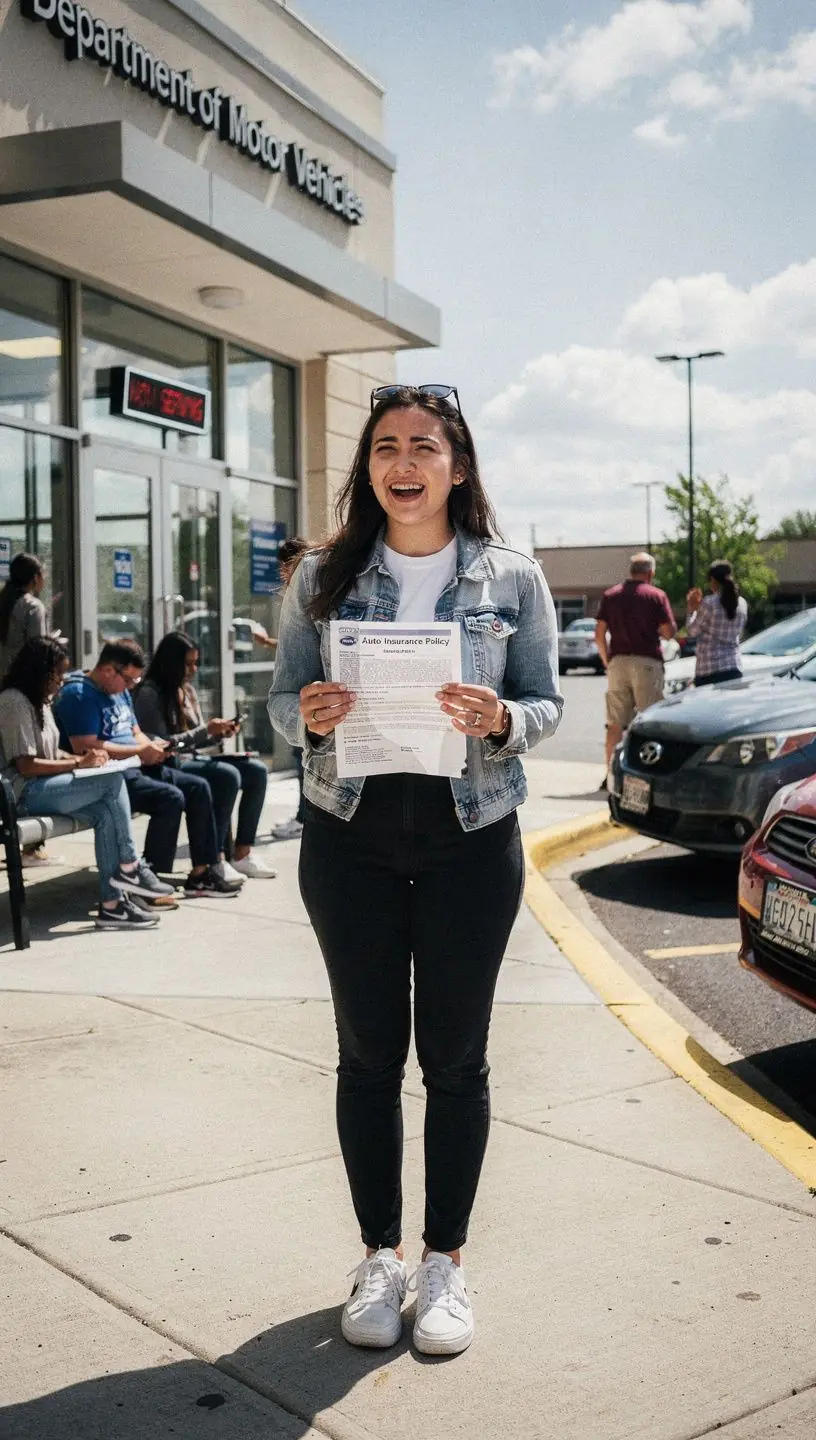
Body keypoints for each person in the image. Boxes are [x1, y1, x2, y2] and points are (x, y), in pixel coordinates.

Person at [269, 383, 562, 1357]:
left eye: (424, 446)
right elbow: (279, 700)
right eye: (386, 445)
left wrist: (504, 718)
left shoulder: (512, 578)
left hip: (469, 835)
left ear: (458, 466)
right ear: (369, 467)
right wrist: (305, 715)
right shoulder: (324, 574)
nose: (404, 462)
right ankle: (379, 1258)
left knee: (456, 1059)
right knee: (366, 1056)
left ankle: (445, 1263)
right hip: (348, 832)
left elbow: (546, 701)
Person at [0, 638, 176, 929]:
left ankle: (112, 906)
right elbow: (26, 766)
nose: (61, 681)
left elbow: (51, 752)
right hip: (21, 793)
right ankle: (130, 866)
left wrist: (86, 758)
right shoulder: (13, 701)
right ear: (39, 671)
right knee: (112, 781)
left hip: (43, 786)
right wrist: (78, 764)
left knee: (105, 813)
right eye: (57, 674)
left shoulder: (40, 700)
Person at [54, 640, 243, 899]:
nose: (131, 687)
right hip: (109, 777)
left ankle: (201, 874)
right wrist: (139, 750)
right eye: (128, 680)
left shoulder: (119, 690)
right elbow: (85, 746)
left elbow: (135, 732)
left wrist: (152, 748)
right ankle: (149, 876)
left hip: (136, 765)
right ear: (108, 670)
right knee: (169, 797)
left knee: (198, 787)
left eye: (135, 680)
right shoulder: (79, 694)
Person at [135, 632, 276, 879]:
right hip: (169, 763)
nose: (194, 669)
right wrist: (206, 730)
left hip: (192, 758)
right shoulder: (150, 694)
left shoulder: (187, 691)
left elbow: (196, 740)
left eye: (196, 663)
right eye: (188, 663)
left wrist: (218, 734)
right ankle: (215, 858)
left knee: (257, 771)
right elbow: (161, 745)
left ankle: (242, 853)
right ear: (171, 663)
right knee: (227, 776)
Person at [595, 552, 676, 775]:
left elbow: (599, 633)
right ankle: (647, 771)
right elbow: (669, 632)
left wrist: (608, 661)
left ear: (631, 571)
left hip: (618, 663)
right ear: (651, 573)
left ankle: (611, 774)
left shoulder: (611, 595)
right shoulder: (656, 596)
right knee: (650, 719)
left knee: (615, 723)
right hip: (647, 662)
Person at [270, 536, 311, 841]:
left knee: (305, 761)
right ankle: (302, 815)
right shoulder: (305, 590)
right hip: (303, 695)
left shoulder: (309, 586)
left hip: (311, 694)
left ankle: (303, 817)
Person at [686, 559, 748, 686]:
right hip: (733, 667)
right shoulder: (742, 603)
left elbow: (692, 631)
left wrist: (692, 610)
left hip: (709, 670)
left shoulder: (709, 603)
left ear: (713, 580)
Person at [0, 553, 48, 679]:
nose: (45, 579)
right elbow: (38, 650)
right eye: (43, 575)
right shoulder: (33, 606)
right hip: (20, 681)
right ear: (35, 578)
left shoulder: (3, 600)